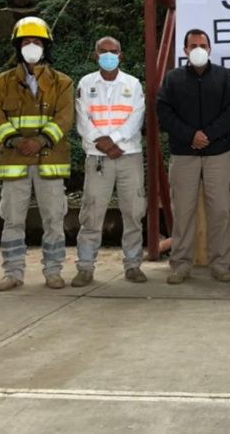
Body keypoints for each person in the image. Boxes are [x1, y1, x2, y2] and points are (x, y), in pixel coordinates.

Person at [0, 16, 74, 291]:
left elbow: (65, 118)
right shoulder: (0, 83)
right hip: (14, 161)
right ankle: (12, 272)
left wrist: (41, 140)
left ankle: (54, 270)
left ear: (46, 46)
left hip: (50, 160)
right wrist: (15, 141)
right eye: (27, 41)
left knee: (53, 218)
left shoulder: (63, 83)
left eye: (37, 41)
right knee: (12, 219)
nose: (32, 46)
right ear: (17, 46)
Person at [156, 29, 230, 284]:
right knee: (183, 212)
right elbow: (164, 111)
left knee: (220, 211)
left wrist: (209, 134)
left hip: (218, 153)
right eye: (193, 44)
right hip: (184, 154)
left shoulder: (224, 77)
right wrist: (190, 135)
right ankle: (181, 265)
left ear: (210, 48)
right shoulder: (173, 79)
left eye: (202, 44)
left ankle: (220, 264)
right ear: (185, 50)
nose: (198, 48)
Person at [73, 36, 147, 287]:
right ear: (95, 55)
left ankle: (133, 265)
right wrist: (101, 142)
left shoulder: (133, 84)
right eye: (103, 51)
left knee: (134, 212)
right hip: (97, 157)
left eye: (113, 51)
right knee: (91, 212)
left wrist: (113, 140)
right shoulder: (86, 83)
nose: (108, 55)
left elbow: (136, 117)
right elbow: (83, 119)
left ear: (121, 55)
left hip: (129, 155)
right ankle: (85, 267)